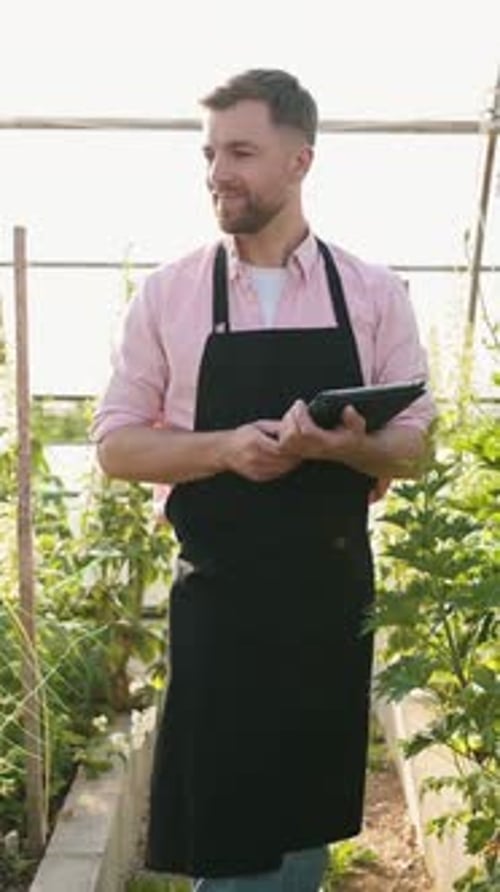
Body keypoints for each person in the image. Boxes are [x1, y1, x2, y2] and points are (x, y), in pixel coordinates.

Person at [91, 69, 435, 892]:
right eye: (210, 153)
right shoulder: (170, 295)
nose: (218, 172)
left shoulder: (374, 293)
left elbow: (415, 444)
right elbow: (116, 445)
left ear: (300, 160)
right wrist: (224, 450)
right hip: (223, 600)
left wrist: (341, 448)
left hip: (329, 590)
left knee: (305, 825)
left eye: (241, 151)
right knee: (231, 824)